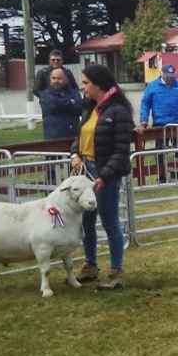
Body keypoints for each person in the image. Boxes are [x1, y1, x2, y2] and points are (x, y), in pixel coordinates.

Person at [69, 64, 133, 290]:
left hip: (106, 173)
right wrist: (75, 153)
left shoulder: (118, 112)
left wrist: (104, 176)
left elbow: (121, 149)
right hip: (85, 169)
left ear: (98, 84)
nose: (83, 87)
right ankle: (90, 264)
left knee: (109, 220)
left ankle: (116, 270)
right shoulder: (90, 109)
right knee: (86, 220)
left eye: (86, 83)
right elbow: (80, 135)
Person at [139, 64, 178, 130]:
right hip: (160, 125)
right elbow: (145, 104)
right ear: (162, 73)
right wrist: (144, 120)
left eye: (172, 76)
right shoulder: (152, 86)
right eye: (167, 76)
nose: (170, 78)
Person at [38, 67, 83, 139]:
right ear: (50, 79)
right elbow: (53, 105)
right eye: (53, 78)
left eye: (59, 78)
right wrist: (71, 102)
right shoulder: (45, 94)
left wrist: (60, 103)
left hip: (74, 137)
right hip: (53, 139)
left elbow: (80, 109)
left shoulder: (74, 92)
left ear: (66, 79)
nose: (56, 81)